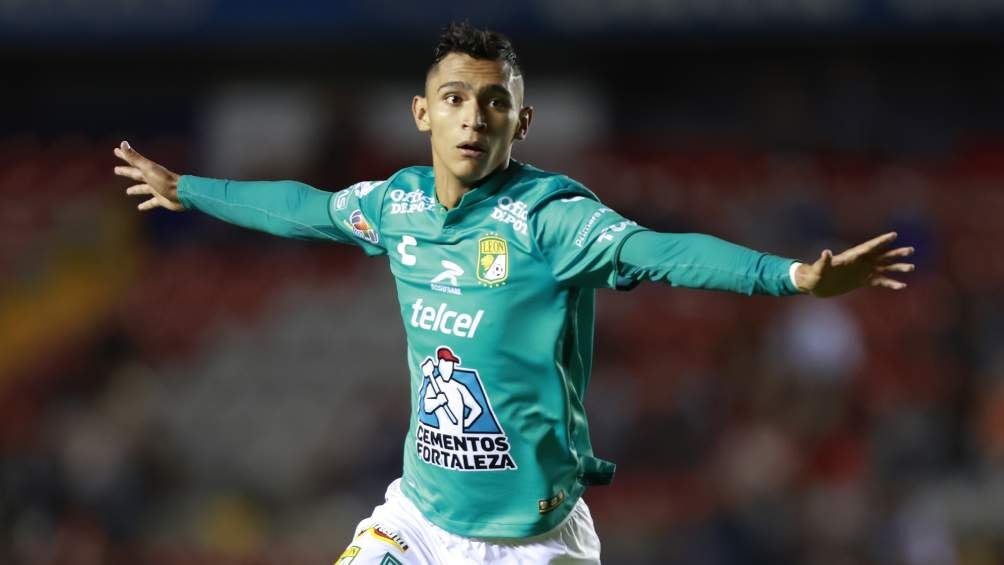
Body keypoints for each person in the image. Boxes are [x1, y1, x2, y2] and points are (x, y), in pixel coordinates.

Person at [114, 21, 914, 565]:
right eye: (455, 99)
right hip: (419, 521)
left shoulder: (549, 220)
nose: (474, 118)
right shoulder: (398, 205)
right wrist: (190, 189)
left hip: (533, 543)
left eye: (494, 102)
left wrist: (793, 275)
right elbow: (306, 208)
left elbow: (660, 251)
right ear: (423, 113)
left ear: (520, 122)